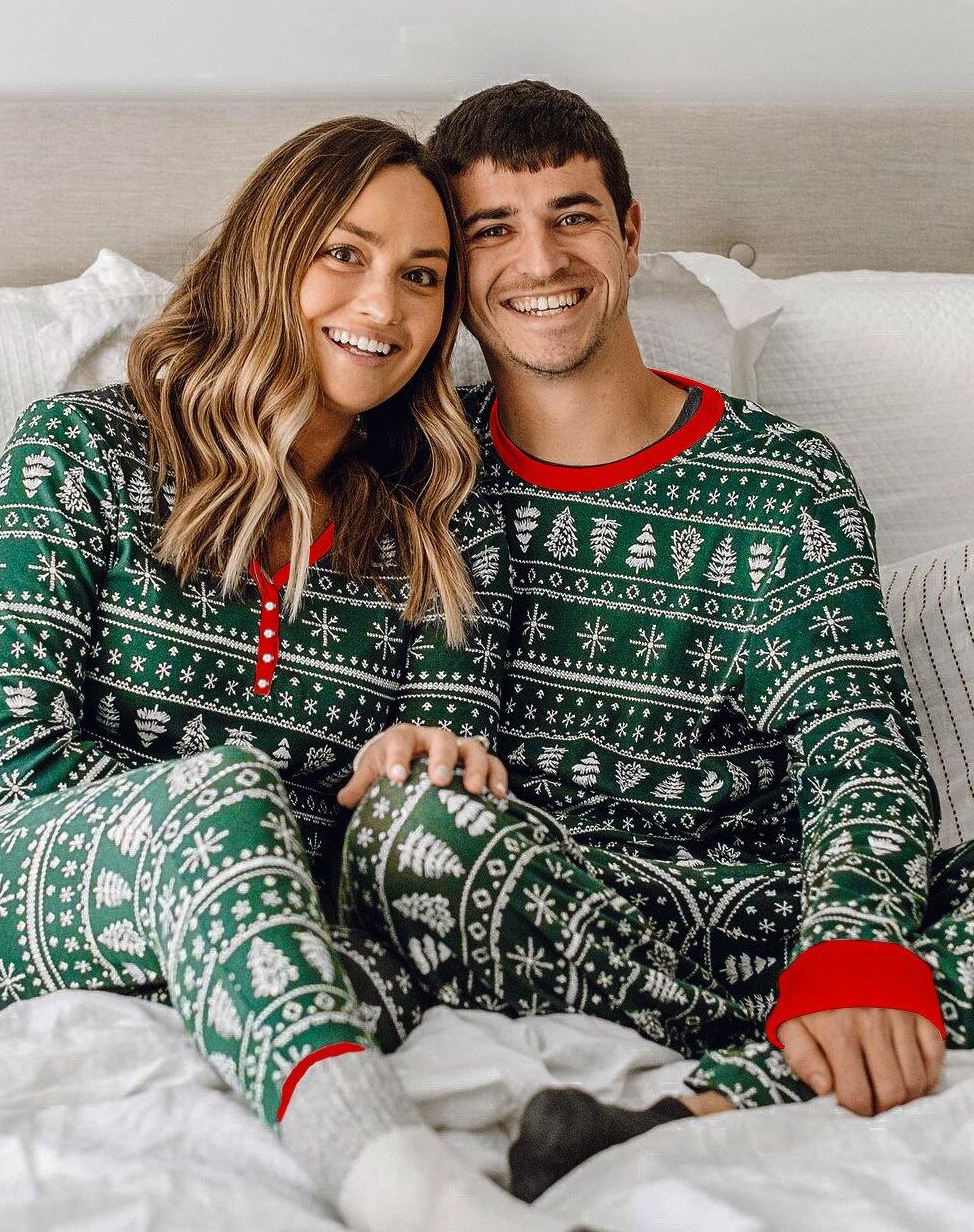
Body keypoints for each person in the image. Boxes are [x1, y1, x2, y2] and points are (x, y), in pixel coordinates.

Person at [0, 117, 586, 1232]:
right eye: (344, 254)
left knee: (422, 908)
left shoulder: (441, 528)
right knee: (228, 802)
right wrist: (255, 826)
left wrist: (423, 772)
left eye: (423, 276)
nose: (383, 307)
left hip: (269, 926)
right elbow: (16, 769)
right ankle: (401, 1186)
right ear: (268, 255)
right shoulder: (79, 451)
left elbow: (428, 803)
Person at [333, 80, 974, 1202]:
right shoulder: (420, 478)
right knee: (403, 831)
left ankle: (718, 1097)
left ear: (629, 235)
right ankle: (790, 1060)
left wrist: (852, 948)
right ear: (453, 274)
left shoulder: (783, 482)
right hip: (537, 891)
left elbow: (859, 750)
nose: (540, 260)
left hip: (763, 903)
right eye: (493, 231)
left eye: (572, 216)